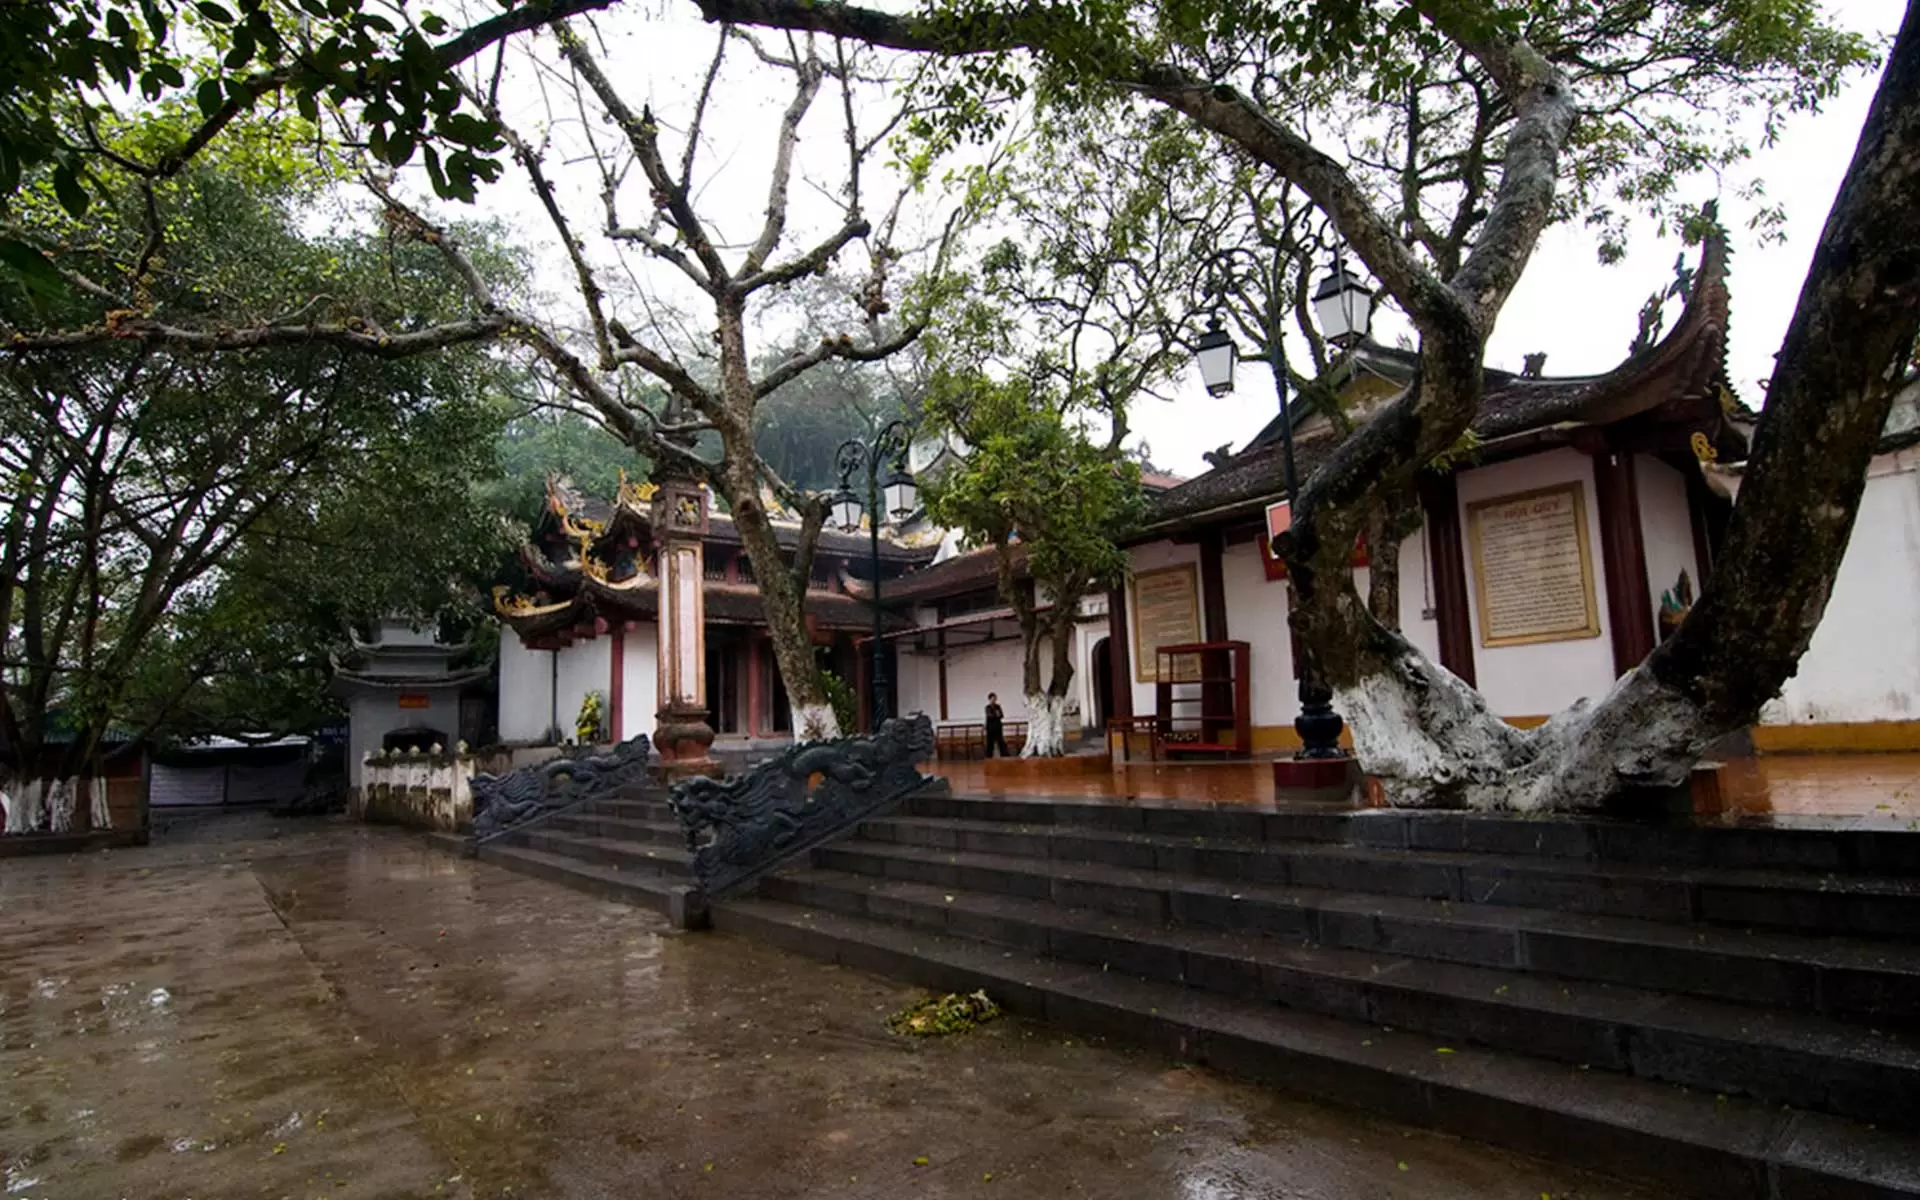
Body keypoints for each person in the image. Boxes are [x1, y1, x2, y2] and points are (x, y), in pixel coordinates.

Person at [984, 693, 1009, 758]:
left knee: (1001, 741)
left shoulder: (998, 706)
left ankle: (1004, 756)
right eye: (992, 699)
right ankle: (989, 757)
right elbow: (990, 715)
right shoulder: (987, 707)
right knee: (990, 743)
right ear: (989, 699)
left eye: (995, 698)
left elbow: (1001, 715)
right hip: (990, 727)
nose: (994, 700)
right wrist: (996, 714)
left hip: (998, 727)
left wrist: (997, 714)